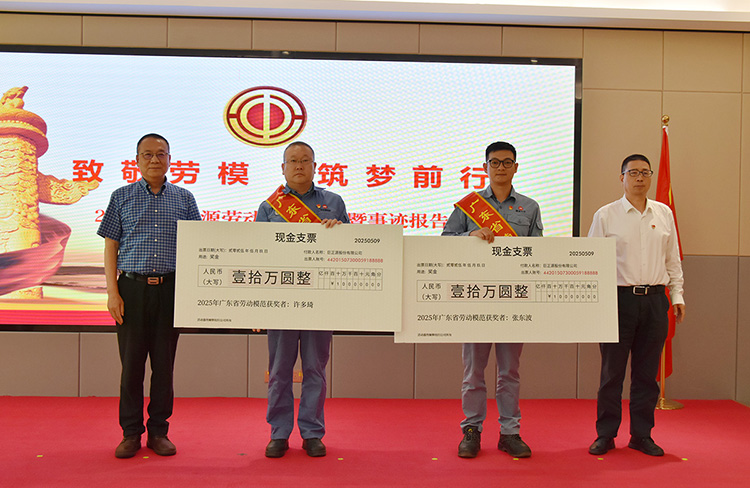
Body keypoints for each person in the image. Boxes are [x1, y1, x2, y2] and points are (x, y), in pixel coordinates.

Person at [98, 133, 201, 459]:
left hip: (171, 290)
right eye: (147, 154)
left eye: (160, 154)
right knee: (131, 367)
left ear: (170, 159)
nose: (154, 160)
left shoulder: (184, 198)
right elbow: (111, 246)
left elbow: (197, 247)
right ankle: (130, 433)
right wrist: (113, 293)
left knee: (164, 366)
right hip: (131, 290)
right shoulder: (121, 196)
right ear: (137, 160)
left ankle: (159, 431)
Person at [443, 141, 543, 459]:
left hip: (514, 299)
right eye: (495, 162)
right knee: (474, 372)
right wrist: (469, 236)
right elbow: (444, 242)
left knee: (509, 372)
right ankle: (471, 430)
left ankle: (510, 432)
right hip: (476, 299)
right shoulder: (467, 206)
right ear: (485, 167)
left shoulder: (529, 207)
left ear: (516, 167)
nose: (501, 167)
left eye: (507, 162)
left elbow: (538, 252)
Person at [587, 154, 686, 457]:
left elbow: (672, 259)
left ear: (651, 176)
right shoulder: (606, 215)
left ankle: (642, 435)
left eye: (645, 172)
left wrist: (677, 295)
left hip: (655, 301)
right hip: (618, 301)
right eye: (633, 173)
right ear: (622, 178)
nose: (640, 178)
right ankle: (605, 434)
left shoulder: (663, 213)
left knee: (646, 375)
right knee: (612, 374)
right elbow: (592, 262)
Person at [255, 141, 348, 458]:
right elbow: (258, 256)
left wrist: (338, 232)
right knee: (279, 371)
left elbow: (351, 249)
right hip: (280, 300)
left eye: (305, 160)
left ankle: (312, 432)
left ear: (314, 166)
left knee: (315, 370)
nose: (298, 165)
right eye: (292, 161)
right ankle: (279, 433)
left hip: (320, 300)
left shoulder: (333, 202)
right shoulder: (269, 207)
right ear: (283, 167)